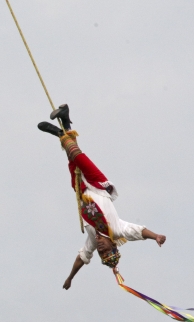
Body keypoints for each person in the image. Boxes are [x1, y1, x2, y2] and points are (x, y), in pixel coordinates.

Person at [37, 105, 166, 290]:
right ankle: (59, 133)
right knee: (78, 157)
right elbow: (138, 231)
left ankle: (65, 121)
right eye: (105, 248)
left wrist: (70, 278)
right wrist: (156, 237)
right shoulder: (117, 230)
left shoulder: (92, 238)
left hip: (81, 189)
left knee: (72, 162)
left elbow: (82, 257)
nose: (100, 246)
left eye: (100, 251)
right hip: (96, 184)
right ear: (113, 245)